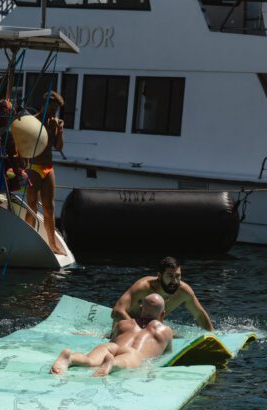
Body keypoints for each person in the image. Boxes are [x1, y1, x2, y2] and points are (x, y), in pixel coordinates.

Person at [51, 293, 173, 377]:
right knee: (126, 360)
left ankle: (69, 357)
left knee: (90, 360)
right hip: (133, 353)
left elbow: (111, 338)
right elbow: (168, 354)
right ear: (162, 314)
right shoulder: (165, 331)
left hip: (111, 347)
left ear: (141, 308)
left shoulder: (123, 323)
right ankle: (111, 363)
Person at [112, 256, 214, 332]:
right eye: (170, 276)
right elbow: (116, 312)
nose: (174, 281)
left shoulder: (184, 291)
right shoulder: (143, 287)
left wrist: (212, 336)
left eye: (178, 276)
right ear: (159, 276)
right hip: (125, 330)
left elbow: (199, 315)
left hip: (151, 332)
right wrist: (140, 332)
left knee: (175, 335)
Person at [25, 90, 65, 253]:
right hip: (33, 167)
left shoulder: (55, 124)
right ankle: (27, 239)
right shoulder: (33, 121)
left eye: (55, 109)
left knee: (49, 208)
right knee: (32, 205)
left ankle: (52, 243)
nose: (53, 111)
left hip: (48, 168)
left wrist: (60, 132)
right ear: (44, 105)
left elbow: (58, 147)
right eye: (51, 107)